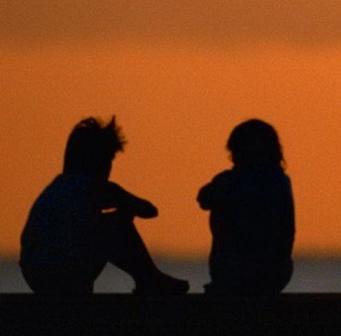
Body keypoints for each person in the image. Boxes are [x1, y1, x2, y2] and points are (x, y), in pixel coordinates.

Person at [19, 117, 189, 295]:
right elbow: (149, 210)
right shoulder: (95, 187)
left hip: (35, 275)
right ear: (100, 162)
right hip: (62, 272)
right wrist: (123, 208)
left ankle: (149, 278)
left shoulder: (57, 188)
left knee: (94, 226)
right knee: (116, 225)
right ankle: (149, 278)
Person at [198, 119, 295, 295]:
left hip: (232, 273)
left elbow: (203, 199)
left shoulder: (228, 181)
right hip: (275, 274)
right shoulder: (281, 181)